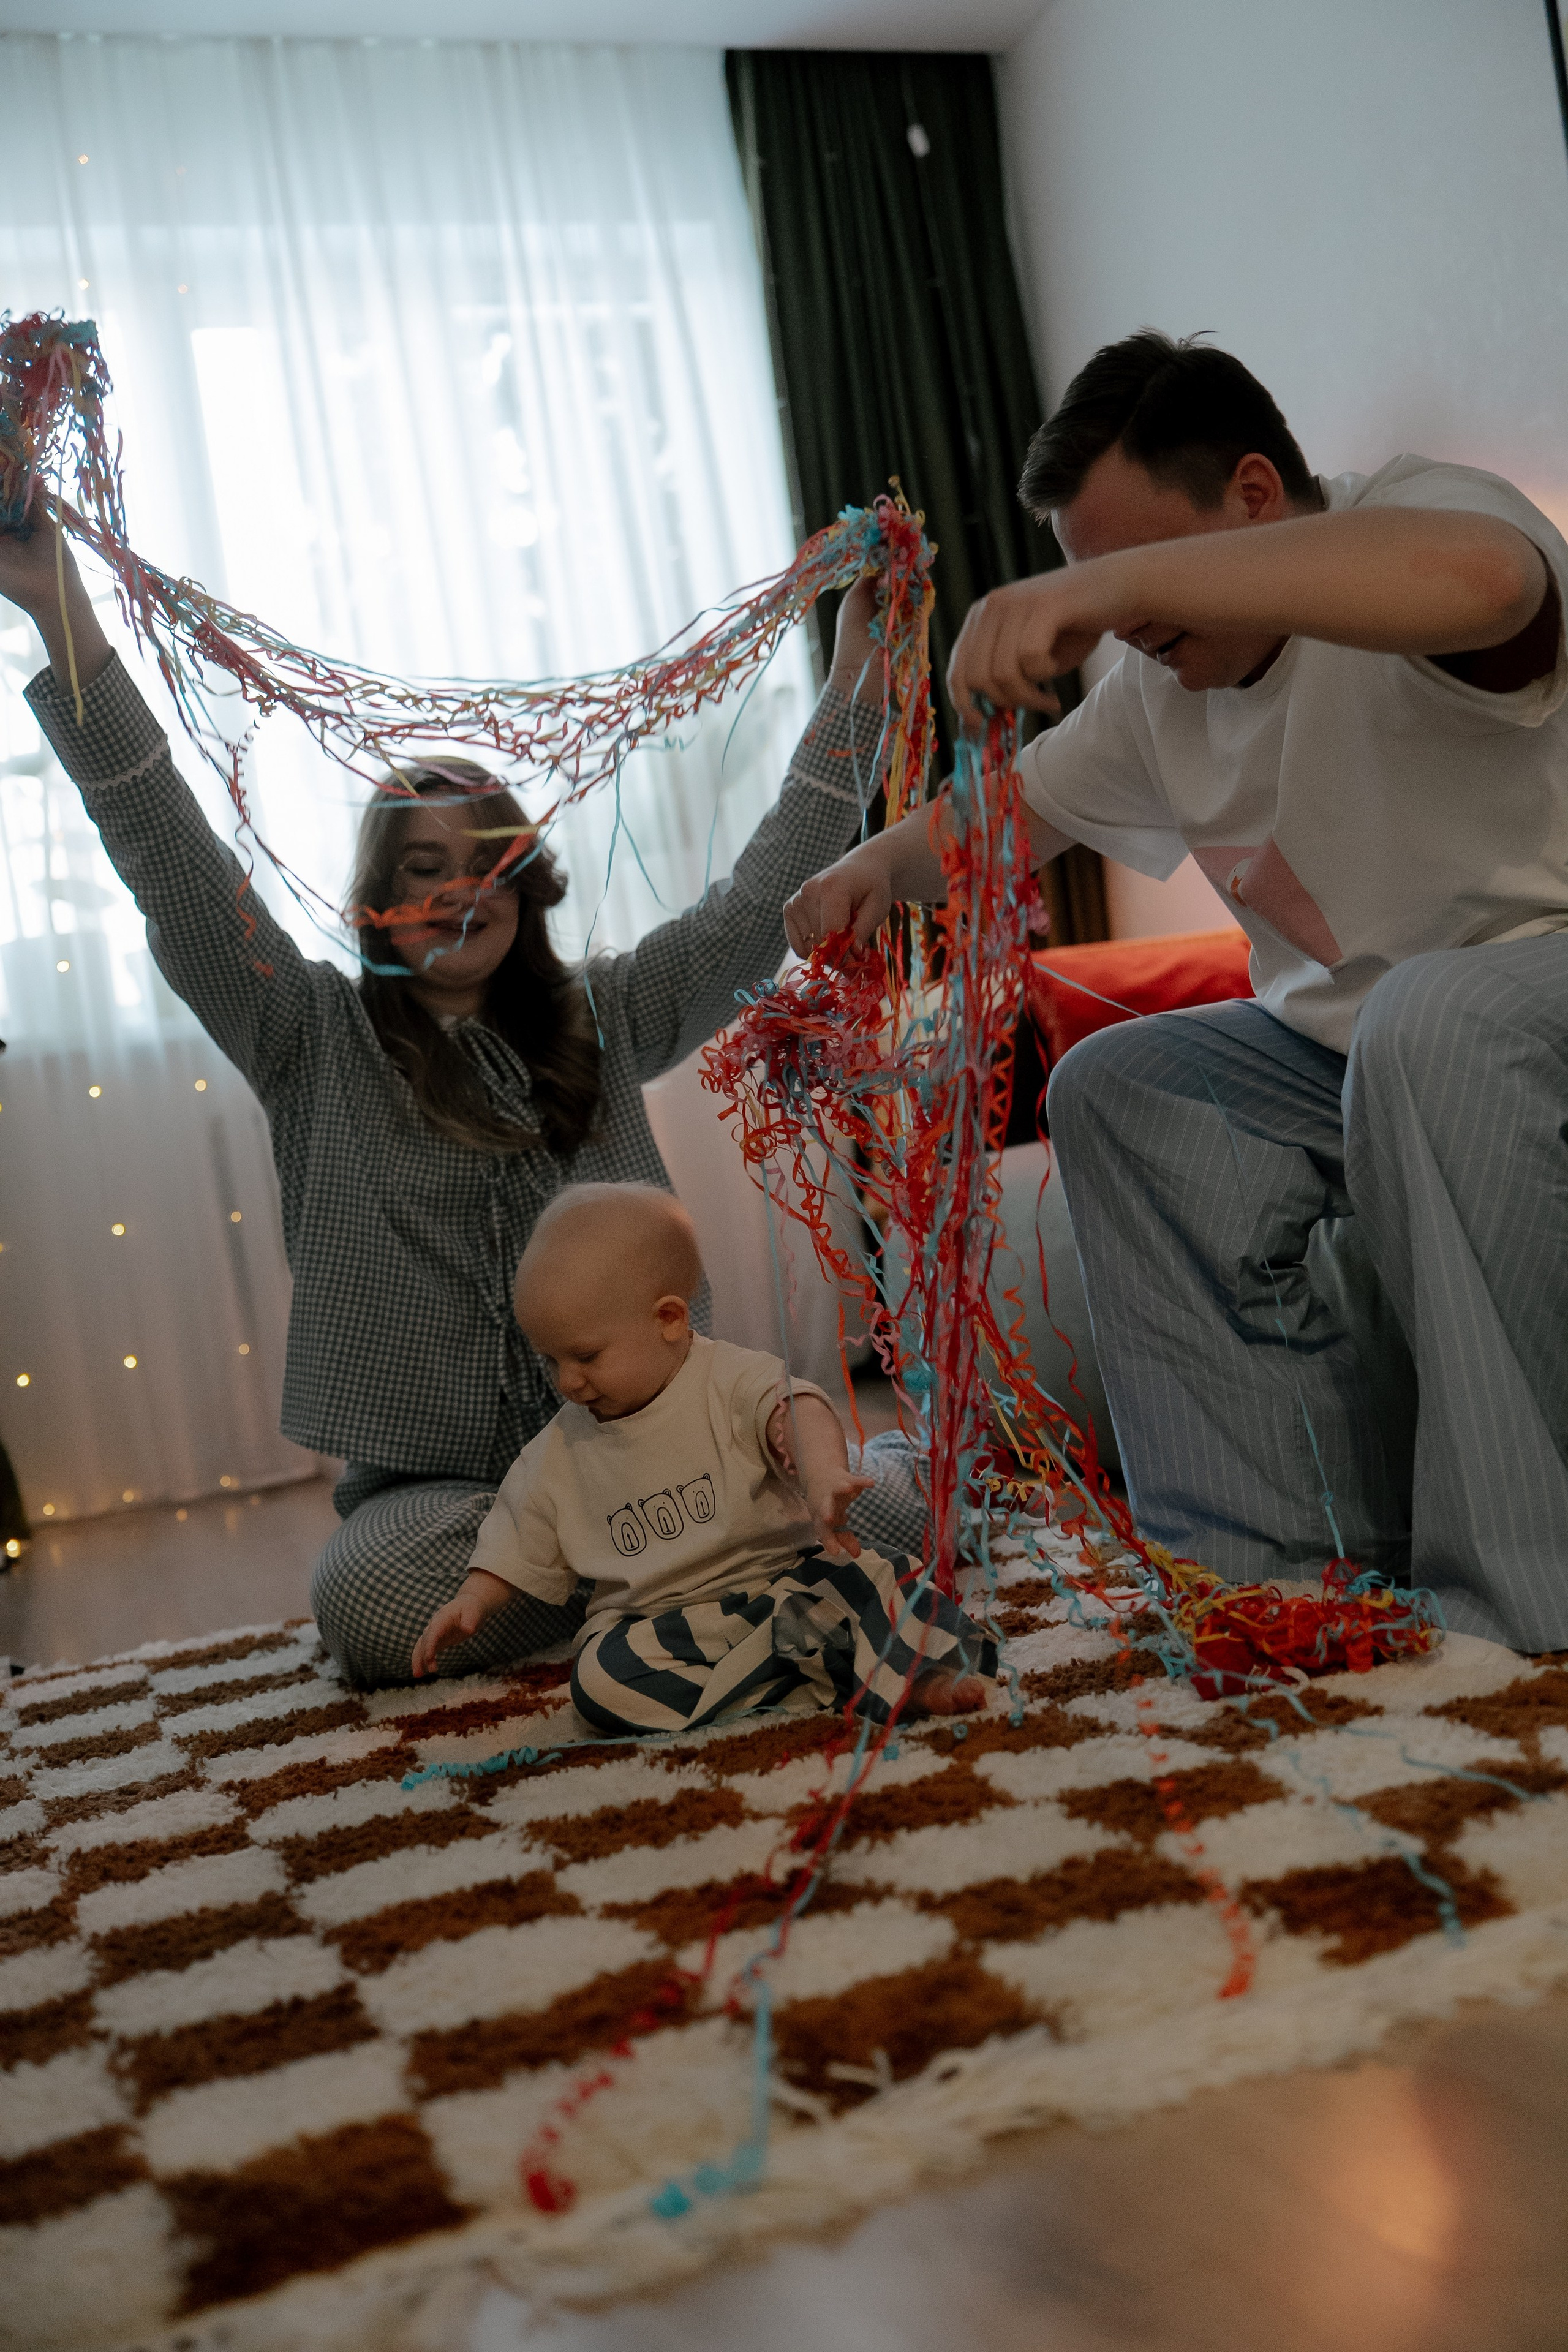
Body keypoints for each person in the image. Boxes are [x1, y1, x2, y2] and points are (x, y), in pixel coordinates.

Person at [0, 496, 925, 1687]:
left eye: (482, 862)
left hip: (665, 1449)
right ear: (377, 894)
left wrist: (860, 683)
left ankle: (672, 1571)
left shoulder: (608, 1011)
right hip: (446, 1503)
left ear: (525, 884)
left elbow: (758, 901)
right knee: (372, 1605)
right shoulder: (306, 1033)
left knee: (896, 1512)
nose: (456, 890)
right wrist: (60, 609)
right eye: (421, 867)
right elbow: (166, 853)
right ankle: (696, 1583)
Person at [783, 331, 1568, 1653]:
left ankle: (1520, 1616)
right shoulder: (1163, 692)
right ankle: (1265, 1577)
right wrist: (862, 871)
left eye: (1132, 571)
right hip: (1354, 1054)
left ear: (1253, 498)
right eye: (1092, 580)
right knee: (1117, 1088)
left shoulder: (1419, 520)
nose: (1120, 619)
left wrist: (1108, 589)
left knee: (1422, 1024)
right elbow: (999, 816)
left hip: (1520, 991)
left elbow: (1493, 583)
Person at [413, 1183, 991, 1729]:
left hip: (783, 1590)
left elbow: (797, 1408)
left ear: (668, 1319)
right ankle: (821, 1677)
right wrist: (473, 1600)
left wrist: (822, 1475)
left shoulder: (726, 1379)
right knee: (598, 1682)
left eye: (585, 1356)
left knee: (879, 1575)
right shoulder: (560, 1449)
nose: (566, 1381)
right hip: (661, 1625)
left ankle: (915, 1675)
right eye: (550, 1361)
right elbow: (517, 1534)